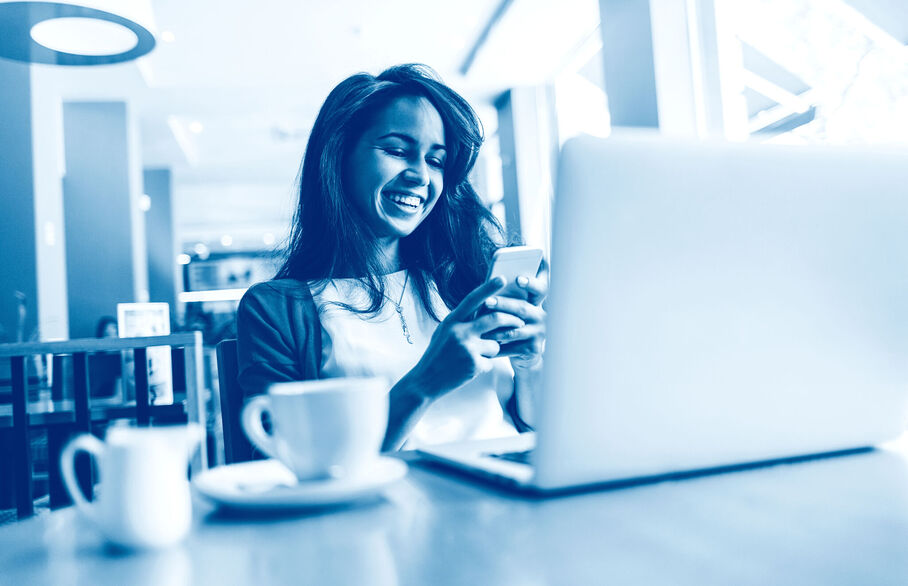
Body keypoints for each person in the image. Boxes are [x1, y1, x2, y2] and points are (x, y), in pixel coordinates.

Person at [236, 64, 546, 451]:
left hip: (517, 491)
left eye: (436, 161)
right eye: (398, 151)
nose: (420, 175)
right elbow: (288, 463)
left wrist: (531, 365)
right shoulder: (277, 308)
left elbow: (535, 427)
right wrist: (424, 383)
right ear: (339, 157)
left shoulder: (469, 277)